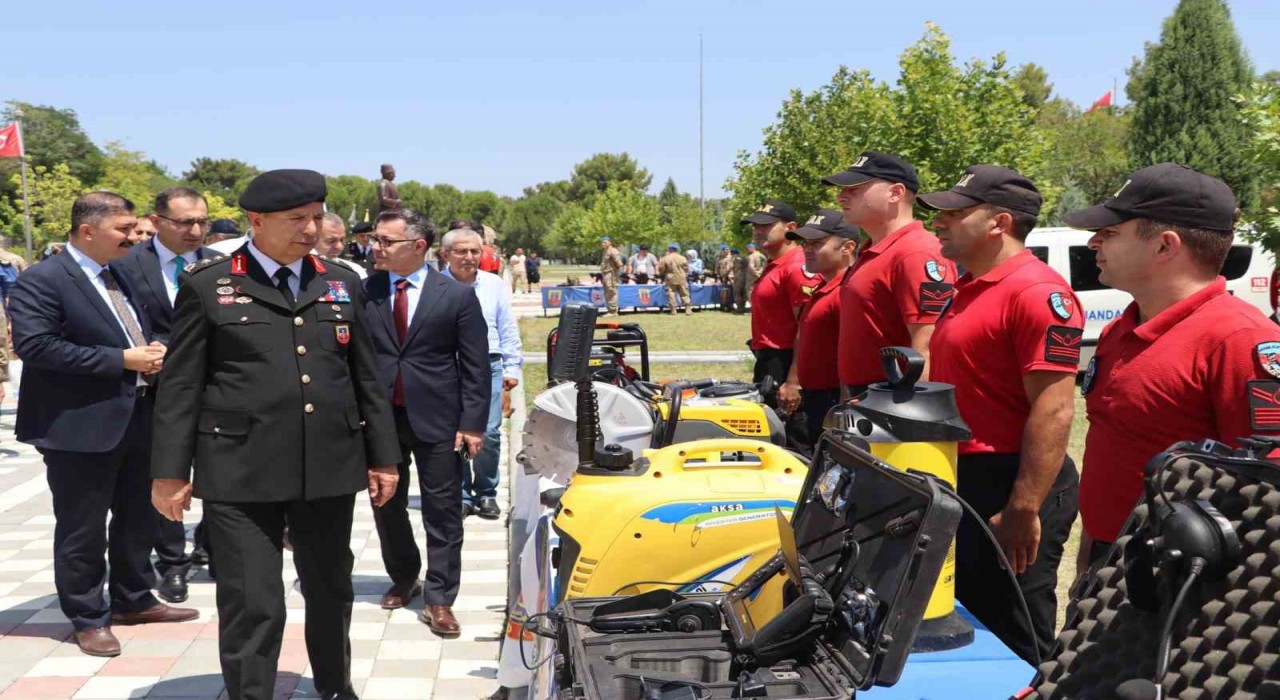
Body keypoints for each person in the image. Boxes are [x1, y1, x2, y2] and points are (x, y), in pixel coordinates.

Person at [150, 170, 401, 700]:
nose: (310, 228)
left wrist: (384, 457)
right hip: (240, 468)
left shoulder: (340, 280)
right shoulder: (209, 283)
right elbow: (179, 386)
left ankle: (335, 686)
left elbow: (365, 378)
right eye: (296, 219)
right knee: (253, 600)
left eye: (315, 216)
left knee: (331, 590)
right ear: (256, 222)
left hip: (327, 466)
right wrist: (170, 473)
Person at [1061, 163, 1280, 573]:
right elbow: (1112, 448)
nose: (1093, 243)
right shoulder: (1120, 329)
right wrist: (1090, 556)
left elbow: (1267, 492)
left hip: (1187, 576)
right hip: (1112, 562)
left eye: (1110, 233)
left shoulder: (1240, 339)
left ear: (1165, 246)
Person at [12, 192, 197, 658]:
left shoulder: (125, 273)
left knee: (139, 518)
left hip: (137, 416)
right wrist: (122, 360)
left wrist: (154, 349)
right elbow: (36, 347)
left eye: (136, 228)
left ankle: (133, 598)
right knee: (83, 528)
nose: (135, 236)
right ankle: (88, 616)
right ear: (87, 230)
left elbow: (148, 323)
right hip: (78, 426)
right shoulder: (43, 280)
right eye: (124, 229)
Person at [921, 166, 1082, 664]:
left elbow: (1054, 408)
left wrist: (1024, 507)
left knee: (1016, 631)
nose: (939, 223)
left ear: (999, 223)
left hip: (1012, 482)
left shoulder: (1035, 292)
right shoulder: (970, 286)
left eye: (955, 212)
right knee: (975, 618)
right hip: (967, 477)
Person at [362, 211, 489, 638]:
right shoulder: (368, 291)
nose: (375, 247)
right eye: (376, 240)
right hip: (381, 417)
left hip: (440, 420)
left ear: (418, 246)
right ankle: (403, 575)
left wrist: (472, 424)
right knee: (386, 503)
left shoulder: (453, 295)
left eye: (386, 241)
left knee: (443, 510)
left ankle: (439, 597)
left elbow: (475, 365)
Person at [113, 187, 219, 604]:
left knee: (219, 468)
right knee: (166, 473)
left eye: (201, 222)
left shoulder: (221, 265)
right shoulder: (126, 264)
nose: (195, 230)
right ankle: (172, 564)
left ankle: (213, 548)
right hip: (155, 389)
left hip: (216, 389)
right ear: (156, 222)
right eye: (185, 222)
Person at [825, 150, 956, 395]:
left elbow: (927, 348)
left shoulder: (916, 252)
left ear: (895, 193)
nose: (841, 196)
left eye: (854, 188)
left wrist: (910, 419)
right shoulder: (874, 251)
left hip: (894, 402)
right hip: (867, 399)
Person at [440, 227, 522, 519]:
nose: (469, 257)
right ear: (445, 254)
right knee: (454, 432)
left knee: (488, 430)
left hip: (489, 364)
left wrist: (512, 367)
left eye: (475, 251)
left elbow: (507, 326)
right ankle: (461, 493)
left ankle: (486, 492)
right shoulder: (435, 285)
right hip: (449, 366)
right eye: (461, 251)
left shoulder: (492, 284)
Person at [776, 211, 858, 442]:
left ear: (847, 247)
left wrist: (844, 408)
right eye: (805, 243)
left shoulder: (847, 290)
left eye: (817, 243)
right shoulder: (824, 286)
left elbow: (851, 353)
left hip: (832, 401)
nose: (807, 249)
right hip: (815, 397)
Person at [743, 200, 819, 398]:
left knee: (792, 427)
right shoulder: (775, 264)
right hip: (769, 362)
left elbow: (809, 328)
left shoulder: (796, 266)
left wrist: (794, 380)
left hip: (787, 364)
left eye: (766, 225)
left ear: (791, 228)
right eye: (755, 225)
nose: (758, 230)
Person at [315, 213, 367, 280]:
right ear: (313, 239)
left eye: (342, 240)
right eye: (331, 241)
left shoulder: (356, 272)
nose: (339, 246)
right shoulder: (301, 269)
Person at [658, 243, 692, 315]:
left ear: (670, 249)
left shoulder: (666, 258)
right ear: (677, 250)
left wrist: (663, 273)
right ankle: (688, 309)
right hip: (681, 278)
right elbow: (686, 268)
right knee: (684, 293)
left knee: (671, 293)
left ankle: (673, 310)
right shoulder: (682, 258)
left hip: (670, 278)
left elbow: (661, 268)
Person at [599, 237, 624, 315]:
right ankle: (609, 310)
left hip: (611, 274)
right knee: (607, 292)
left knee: (612, 291)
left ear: (610, 242)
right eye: (602, 242)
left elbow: (619, 264)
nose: (603, 244)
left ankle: (613, 311)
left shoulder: (613, 251)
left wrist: (617, 273)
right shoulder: (605, 251)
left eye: (605, 242)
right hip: (605, 273)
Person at [715, 245, 734, 311]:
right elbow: (717, 267)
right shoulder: (719, 258)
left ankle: (731, 305)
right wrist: (717, 275)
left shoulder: (731, 257)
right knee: (724, 291)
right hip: (722, 277)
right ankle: (723, 305)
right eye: (724, 250)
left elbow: (731, 267)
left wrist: (727, 274)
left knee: (732, 291)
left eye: (727, 249)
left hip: (731, 277)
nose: (726, 251)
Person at [732, 246, 750, 313]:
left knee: (737, 292)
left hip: (738, 276)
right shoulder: (745, 257)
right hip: (746, 276)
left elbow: (732, 267)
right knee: (743, 292)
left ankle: (739, 308)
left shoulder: (735, 258)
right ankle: (743, 307)